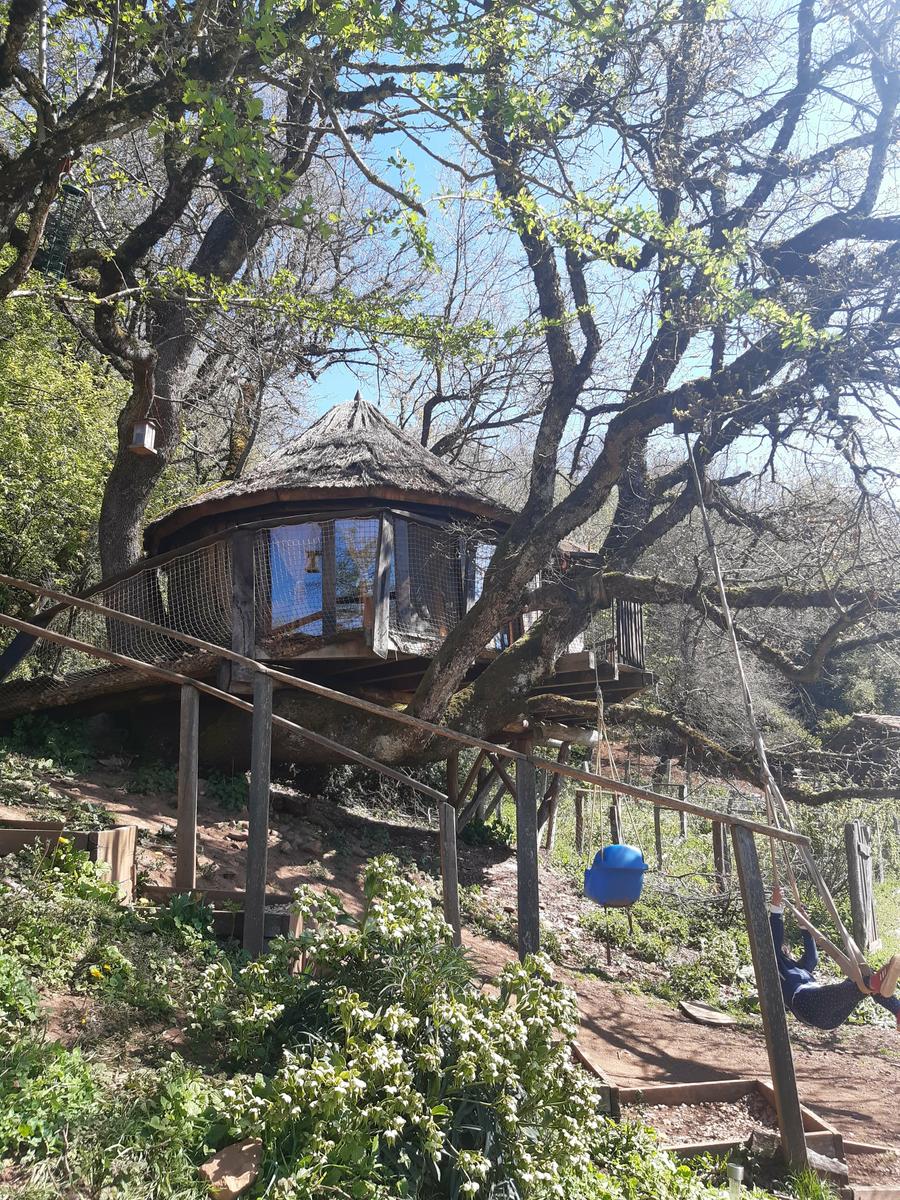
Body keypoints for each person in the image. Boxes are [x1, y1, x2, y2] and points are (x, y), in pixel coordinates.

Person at [769, 887, 900, 1032]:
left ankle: (897, 1010)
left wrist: (805, 926)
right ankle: (874, 982)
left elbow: (812, 958)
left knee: (862, 982)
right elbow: (773, 944)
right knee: (861, 984)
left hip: (831, 1015)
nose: (791, 954)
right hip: (806, 1005)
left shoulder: (801, 969)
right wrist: (776, 909)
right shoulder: (775, 965)